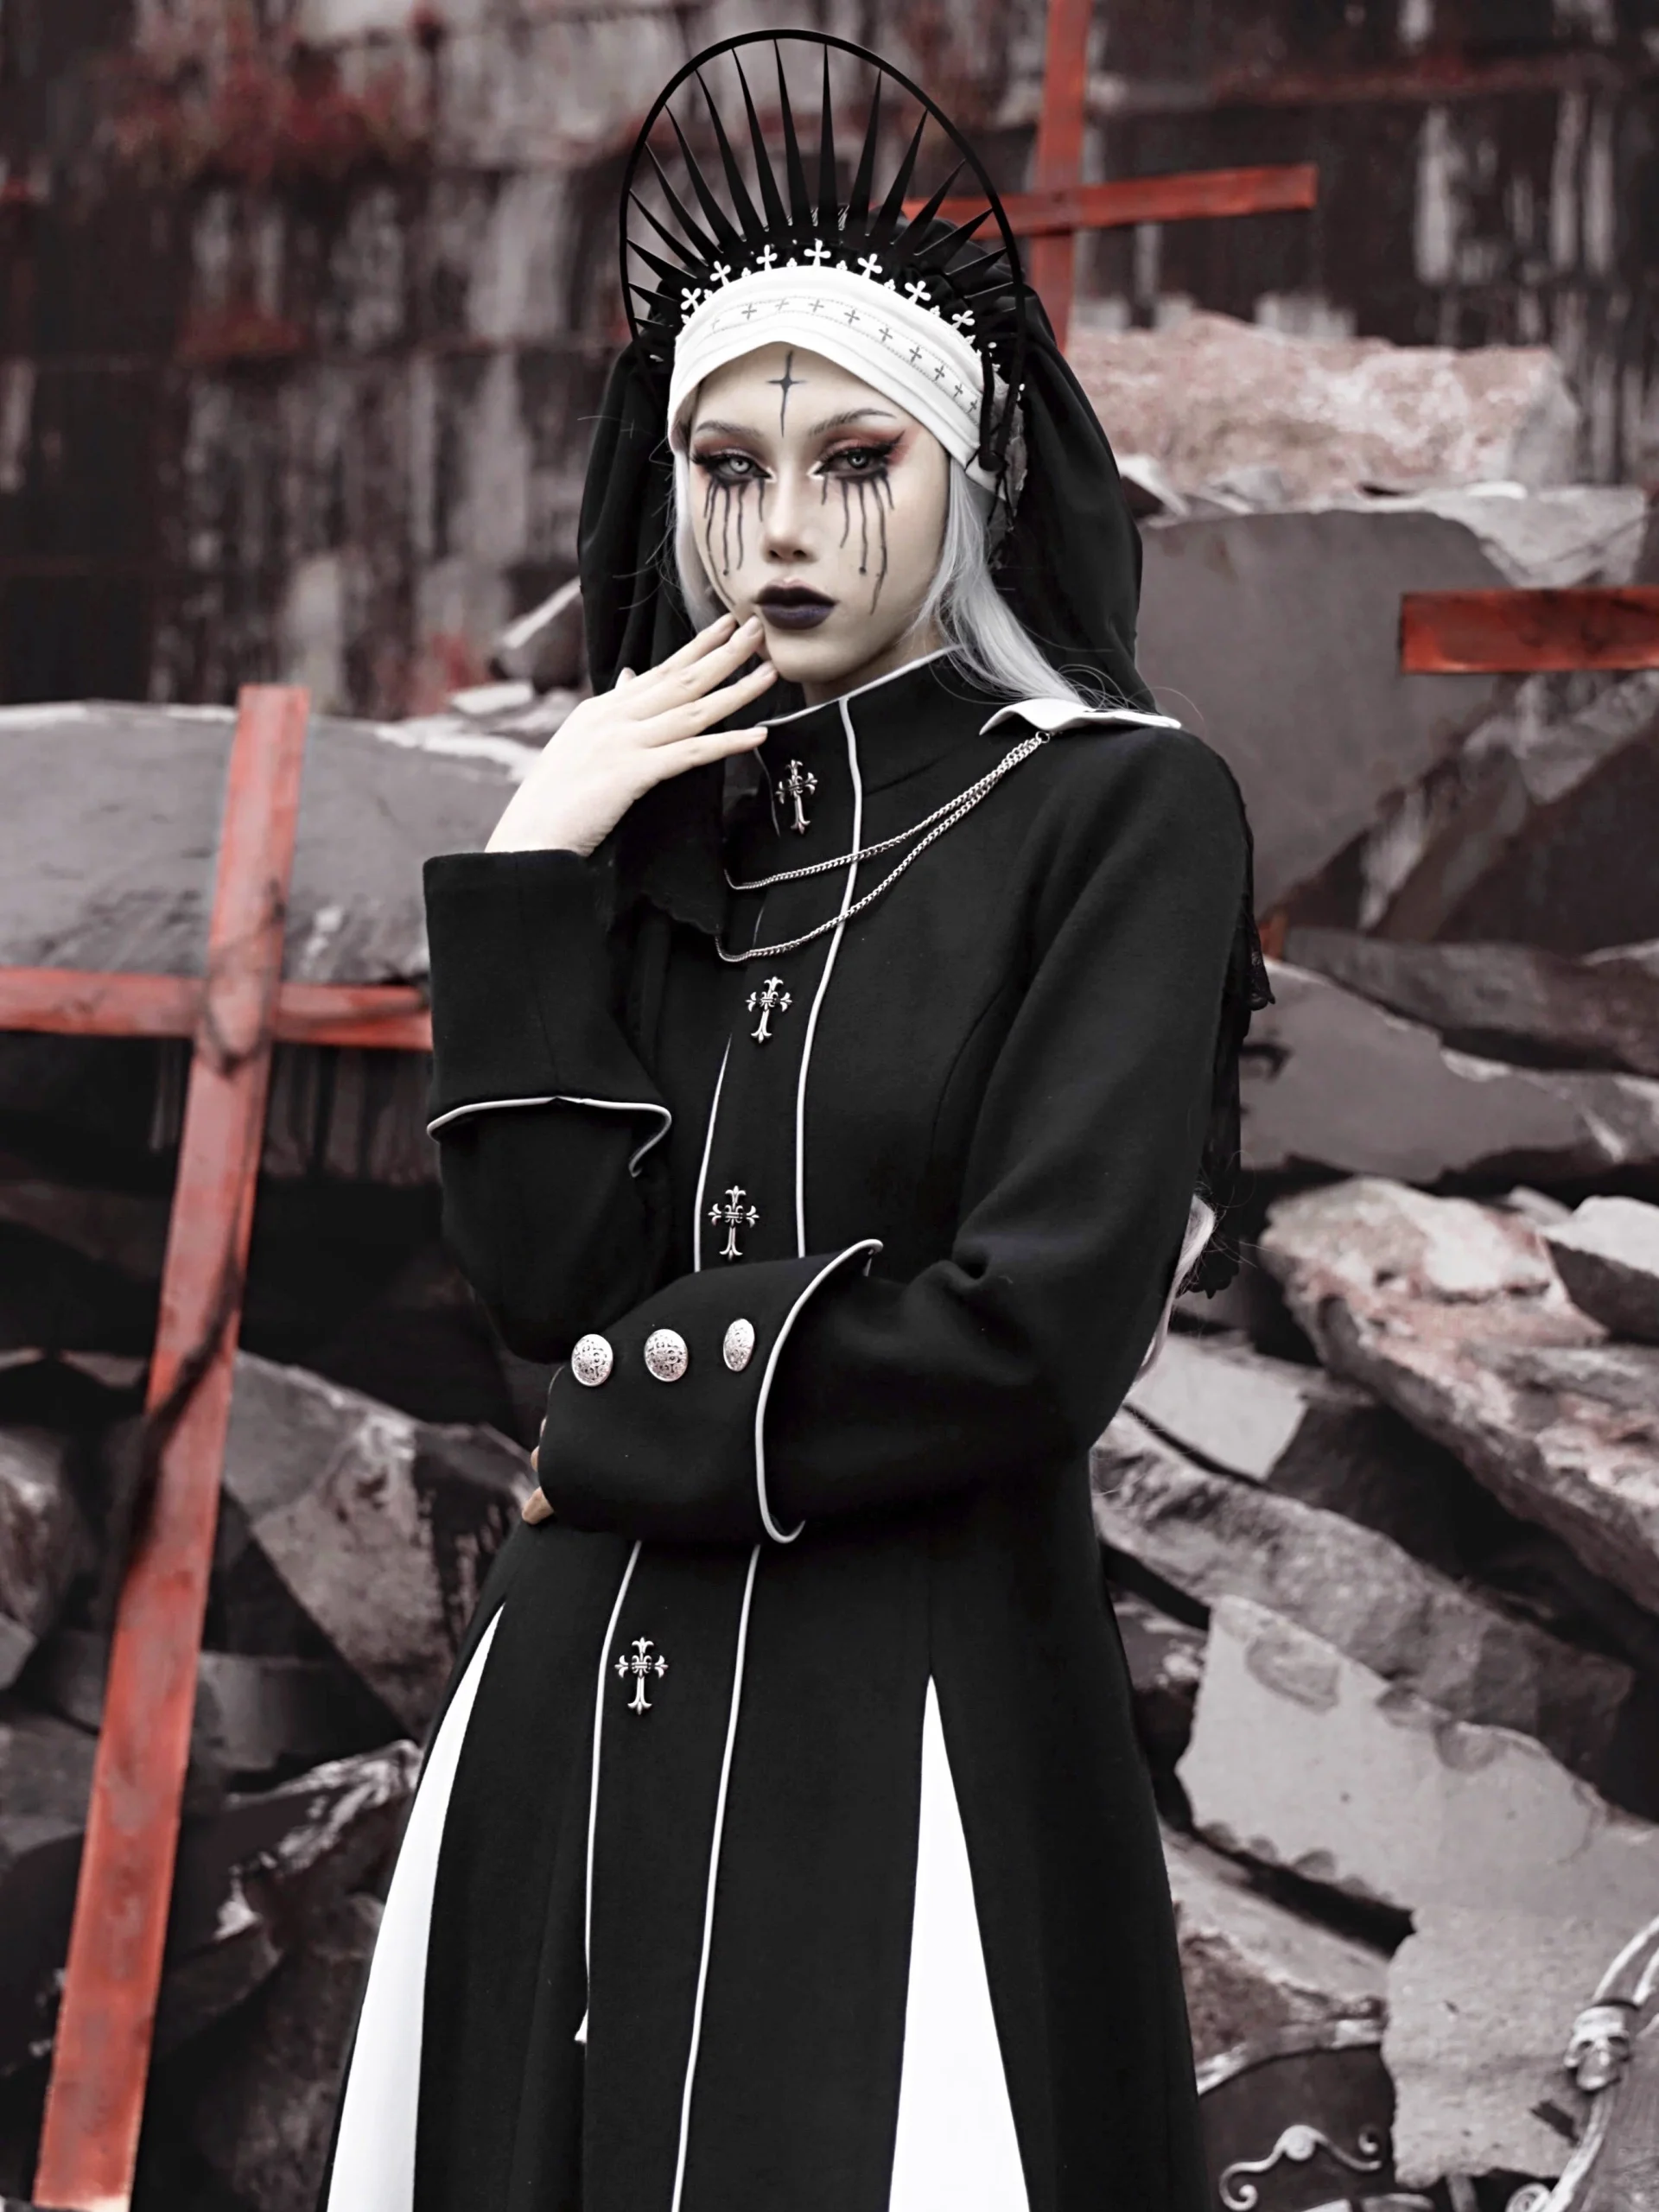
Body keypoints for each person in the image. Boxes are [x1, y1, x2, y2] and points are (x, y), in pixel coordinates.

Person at [318, 31, 1268, 2212]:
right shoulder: (658, 836)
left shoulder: (1123, 813)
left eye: (856, 460)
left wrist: (621, 1407)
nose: (783, 531)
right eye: (725, 468)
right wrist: (536, 861)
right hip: (570, 1720)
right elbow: (540, 1284)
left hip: (916, 1716)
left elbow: (1032, 1327)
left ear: (975, 468)